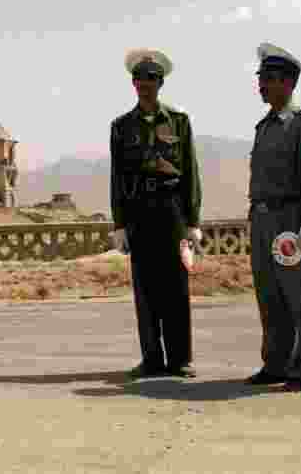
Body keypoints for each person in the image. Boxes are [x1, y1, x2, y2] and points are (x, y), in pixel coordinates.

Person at [109, 49, 203, 379]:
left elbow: (190, 171)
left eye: (150, 79)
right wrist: (119, 223)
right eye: (138, 78)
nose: (143, 84)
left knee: (176, 285)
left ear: (160, 82)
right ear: (132, 83)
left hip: (172, 211)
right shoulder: (121, 127)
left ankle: (180, 359)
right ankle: (152, 358)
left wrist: (193, 221)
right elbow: (117, 178)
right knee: (145, 288)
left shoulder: (179, 121)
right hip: (139, 212)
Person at [246, 43, 301, 392]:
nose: (261, 85)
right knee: (270, 295)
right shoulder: (265, 126)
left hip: (292, 220)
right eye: (261, 78)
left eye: (268, 79)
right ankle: (277, 363)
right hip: (264, 220)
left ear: (287, 83)